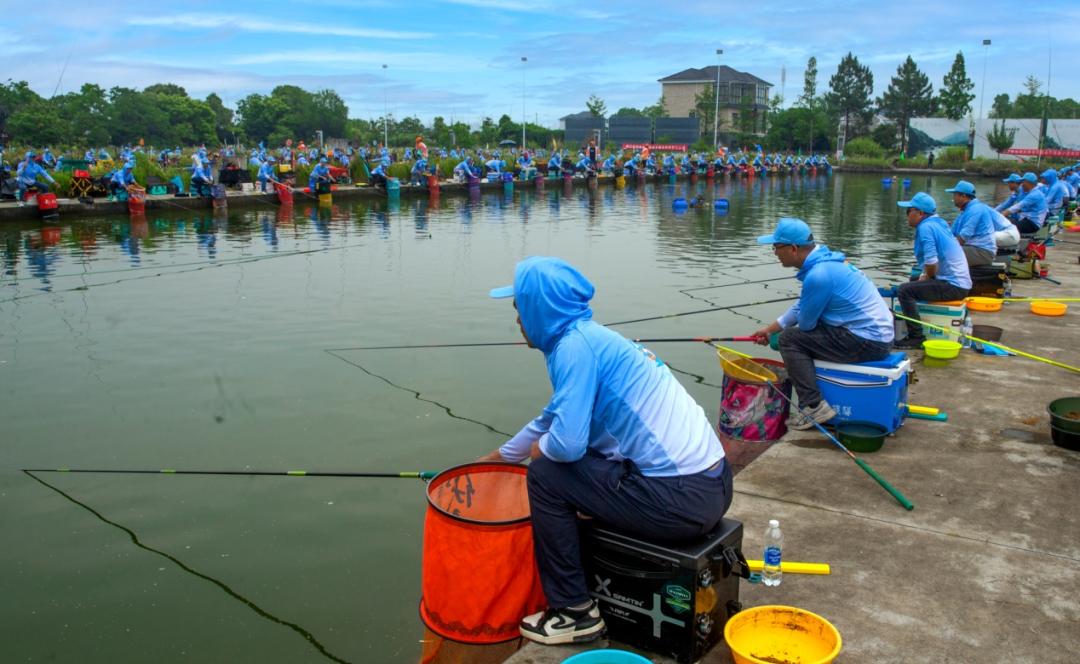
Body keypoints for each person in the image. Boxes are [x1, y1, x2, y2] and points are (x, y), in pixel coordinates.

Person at [480, 256, 732, 646]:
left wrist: (536, 451)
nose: (516, 320)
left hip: (681, 501)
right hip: (715, 487)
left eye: (518, 308)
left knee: (546, 476)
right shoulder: (591, 339)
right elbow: (553, 417)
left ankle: (574, 612)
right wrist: (498, 459)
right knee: (570, 465)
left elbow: (563, 443)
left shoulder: (572, 350)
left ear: (537, 308)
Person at [749, 218, 893, 429]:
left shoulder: (818, 275)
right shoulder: (826, 263)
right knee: (789, 336)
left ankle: (814, 405)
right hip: (877, 336)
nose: (774, 252)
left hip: (869, 341)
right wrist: (770, 330)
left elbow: (806, 326)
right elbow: (803, 305)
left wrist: (779, 337)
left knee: (790, 339)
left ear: (794, 248)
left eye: (776, 247)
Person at [893, 192, 971, 349]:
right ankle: (919, 321)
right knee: (913, 281)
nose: (907, 215)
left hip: (953, 285)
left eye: (909, 211)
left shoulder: (926, 228)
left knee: (904, 291)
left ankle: (917, 337)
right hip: (960, 282)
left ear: (920, 213)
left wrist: (928, 276)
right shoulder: (938, 222)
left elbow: (931, 262)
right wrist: (925, 276)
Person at [945, 180, 997, 267]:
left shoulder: (976, 209)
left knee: (945, 254)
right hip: (973, 248)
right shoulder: (965, 211)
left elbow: (964, 236)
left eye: (955, 195)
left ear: (963, 196)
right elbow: (952, 233)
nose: (953, 198)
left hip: (983, 252)